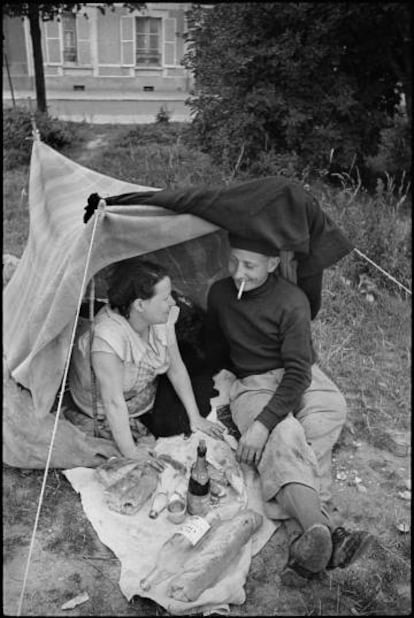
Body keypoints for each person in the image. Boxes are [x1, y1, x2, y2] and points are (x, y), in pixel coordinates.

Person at [204, 234, 373, 585]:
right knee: (286, 433)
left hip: (296, 373)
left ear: (272, 264)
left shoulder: (292, 301)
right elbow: (215, 347)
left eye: (250, 265)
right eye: (234, 262)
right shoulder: (220, 294)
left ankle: (305, 538)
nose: (239, 273)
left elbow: (298, 373)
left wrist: (262, 424)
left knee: (329, 408)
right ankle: (318, 529)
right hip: (252, 380)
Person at [69, 258, 224, 462]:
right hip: (109, 404)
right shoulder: (107, 338)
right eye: (165, 298)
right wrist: (131, 451)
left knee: (182, 422)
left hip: (143, 391)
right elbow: (113, 402)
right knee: (168, 428)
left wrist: (195, 417)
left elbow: (176, 368)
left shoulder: (157, 318)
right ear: (140, 304)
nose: (172, 303)